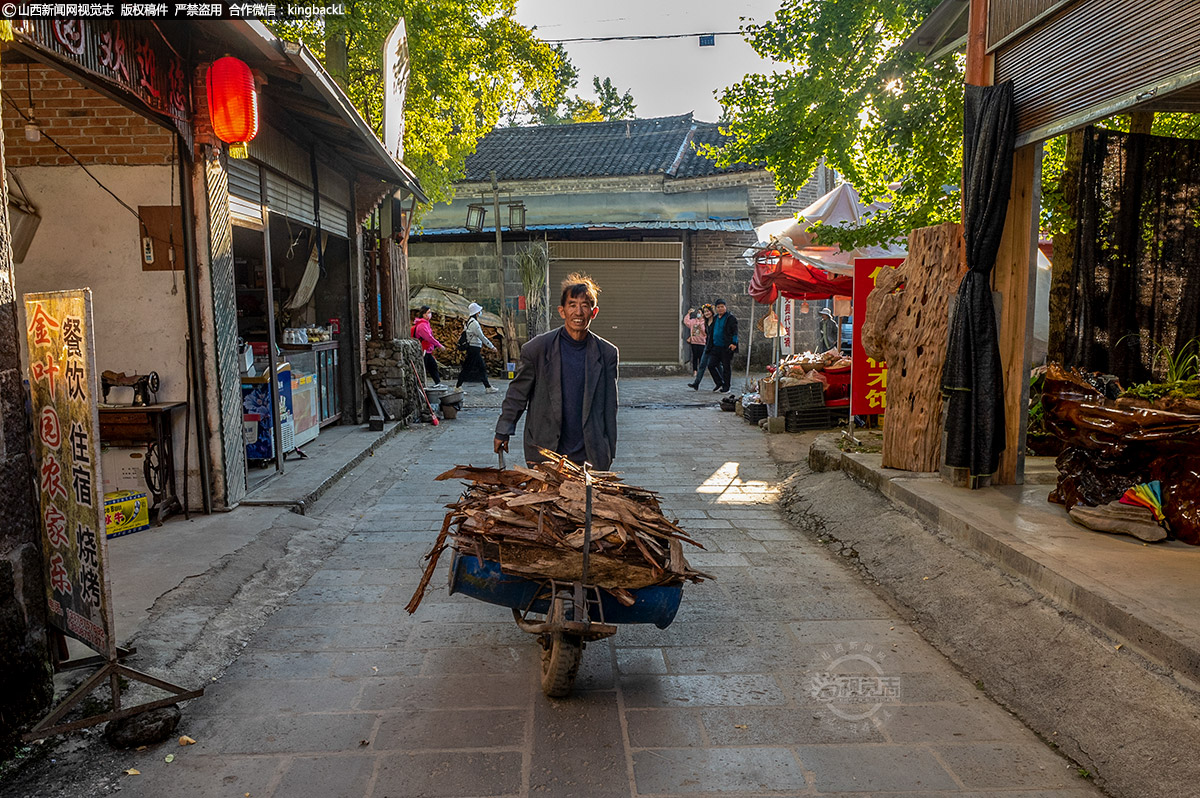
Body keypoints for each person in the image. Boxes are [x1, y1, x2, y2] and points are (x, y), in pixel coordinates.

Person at [494, 273, 618, 470]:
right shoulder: (537, 349)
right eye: (572, 305)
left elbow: (610, 407)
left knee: (587, 502)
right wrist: (503, 431)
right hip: (546, 450)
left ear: (593, 312)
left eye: (585, 305)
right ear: (562, 311)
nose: (578, 312)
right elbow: (517, 394)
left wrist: (608, 450)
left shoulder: (606, 353)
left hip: (589, 454)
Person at [455, 302, 498, 394]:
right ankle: (458, 386)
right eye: (479, 311)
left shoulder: (469, 321)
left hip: (473, 348)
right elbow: (481, 336)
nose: (480, 312)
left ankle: (488, 387)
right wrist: (491, 346)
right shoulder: (474, 323)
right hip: (473, 348)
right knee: (467, 368)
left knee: (481, 367)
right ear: (477, 312)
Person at [410, 305, 446, 389]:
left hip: (427, 350)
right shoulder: (422, 326)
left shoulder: (425, 324)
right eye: (428, 312)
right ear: (423, 314)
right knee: (424, 367)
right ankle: (421, 385)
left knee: (432, 366)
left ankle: (437, 382)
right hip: (423, 350)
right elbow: (429, 337)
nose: (430, 314)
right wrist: (439, 345)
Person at [708, 299, 738, 392]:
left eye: (722, 307)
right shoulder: (716, 318)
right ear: (716, 308)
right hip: (716, 346)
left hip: (726, 347)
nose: (720, 309)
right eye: (718, 307)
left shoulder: (730, 318)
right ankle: (719, 382)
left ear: (725, 307)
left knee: (726, 367)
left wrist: (734, 343)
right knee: (711, 365)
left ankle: (726, 386)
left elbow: (735, 332)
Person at [686, 304, 716, 390]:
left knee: (715, 365)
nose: (706, 313)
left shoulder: (712, 321)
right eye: (705, 311)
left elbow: (706, 333)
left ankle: (721, 382)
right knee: (702, 364)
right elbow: (692, 327)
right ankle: (696, 383)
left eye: (707, 311)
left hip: (710, 345)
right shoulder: (704, 321)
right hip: (706, 345)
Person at [683, 308, 707, 379]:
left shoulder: (705, 322)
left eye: (699, 312)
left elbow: (705, 333)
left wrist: (700, 328)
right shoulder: (693, 321)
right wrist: (688, 314)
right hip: (694, 342)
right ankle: (695, 370)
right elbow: (686, 321)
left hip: (702, 342)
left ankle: (701, 371)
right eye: (698, 312)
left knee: (701, 357)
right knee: (695, 357)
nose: (698, 314)